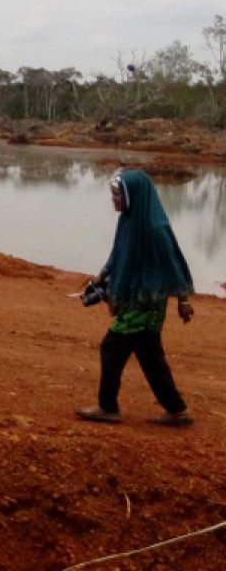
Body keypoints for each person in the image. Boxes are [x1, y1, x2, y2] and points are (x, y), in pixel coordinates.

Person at [77, 170, 196, 427]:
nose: (114, 200)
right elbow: (119, 254)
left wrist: (183, 301)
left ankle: (108, 407)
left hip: (147, 303)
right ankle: (177, 410)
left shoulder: (155, 228)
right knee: (149, 354)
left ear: (134, 195)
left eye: (118, 194)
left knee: (112, 346)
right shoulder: (130, 221)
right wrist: (100, 277)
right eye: (113, 194)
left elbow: (174, 264)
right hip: (134, 298)